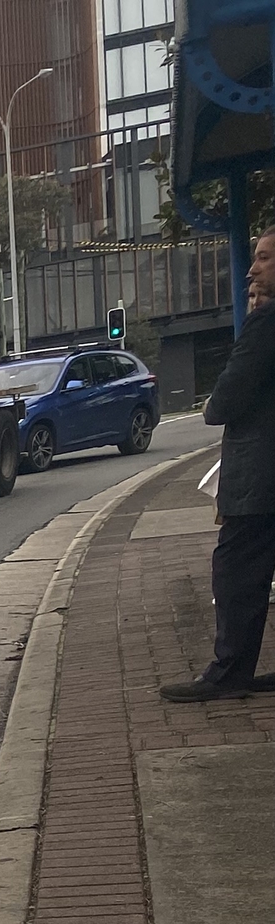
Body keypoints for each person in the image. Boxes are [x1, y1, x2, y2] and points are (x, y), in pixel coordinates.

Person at [166, 229, 275, 700]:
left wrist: (211, 405)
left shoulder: (266, 322)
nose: (252, 268)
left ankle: (230, 672)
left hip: (261, 477)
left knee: (237, 571)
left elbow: (227, 399)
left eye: (265, 258)